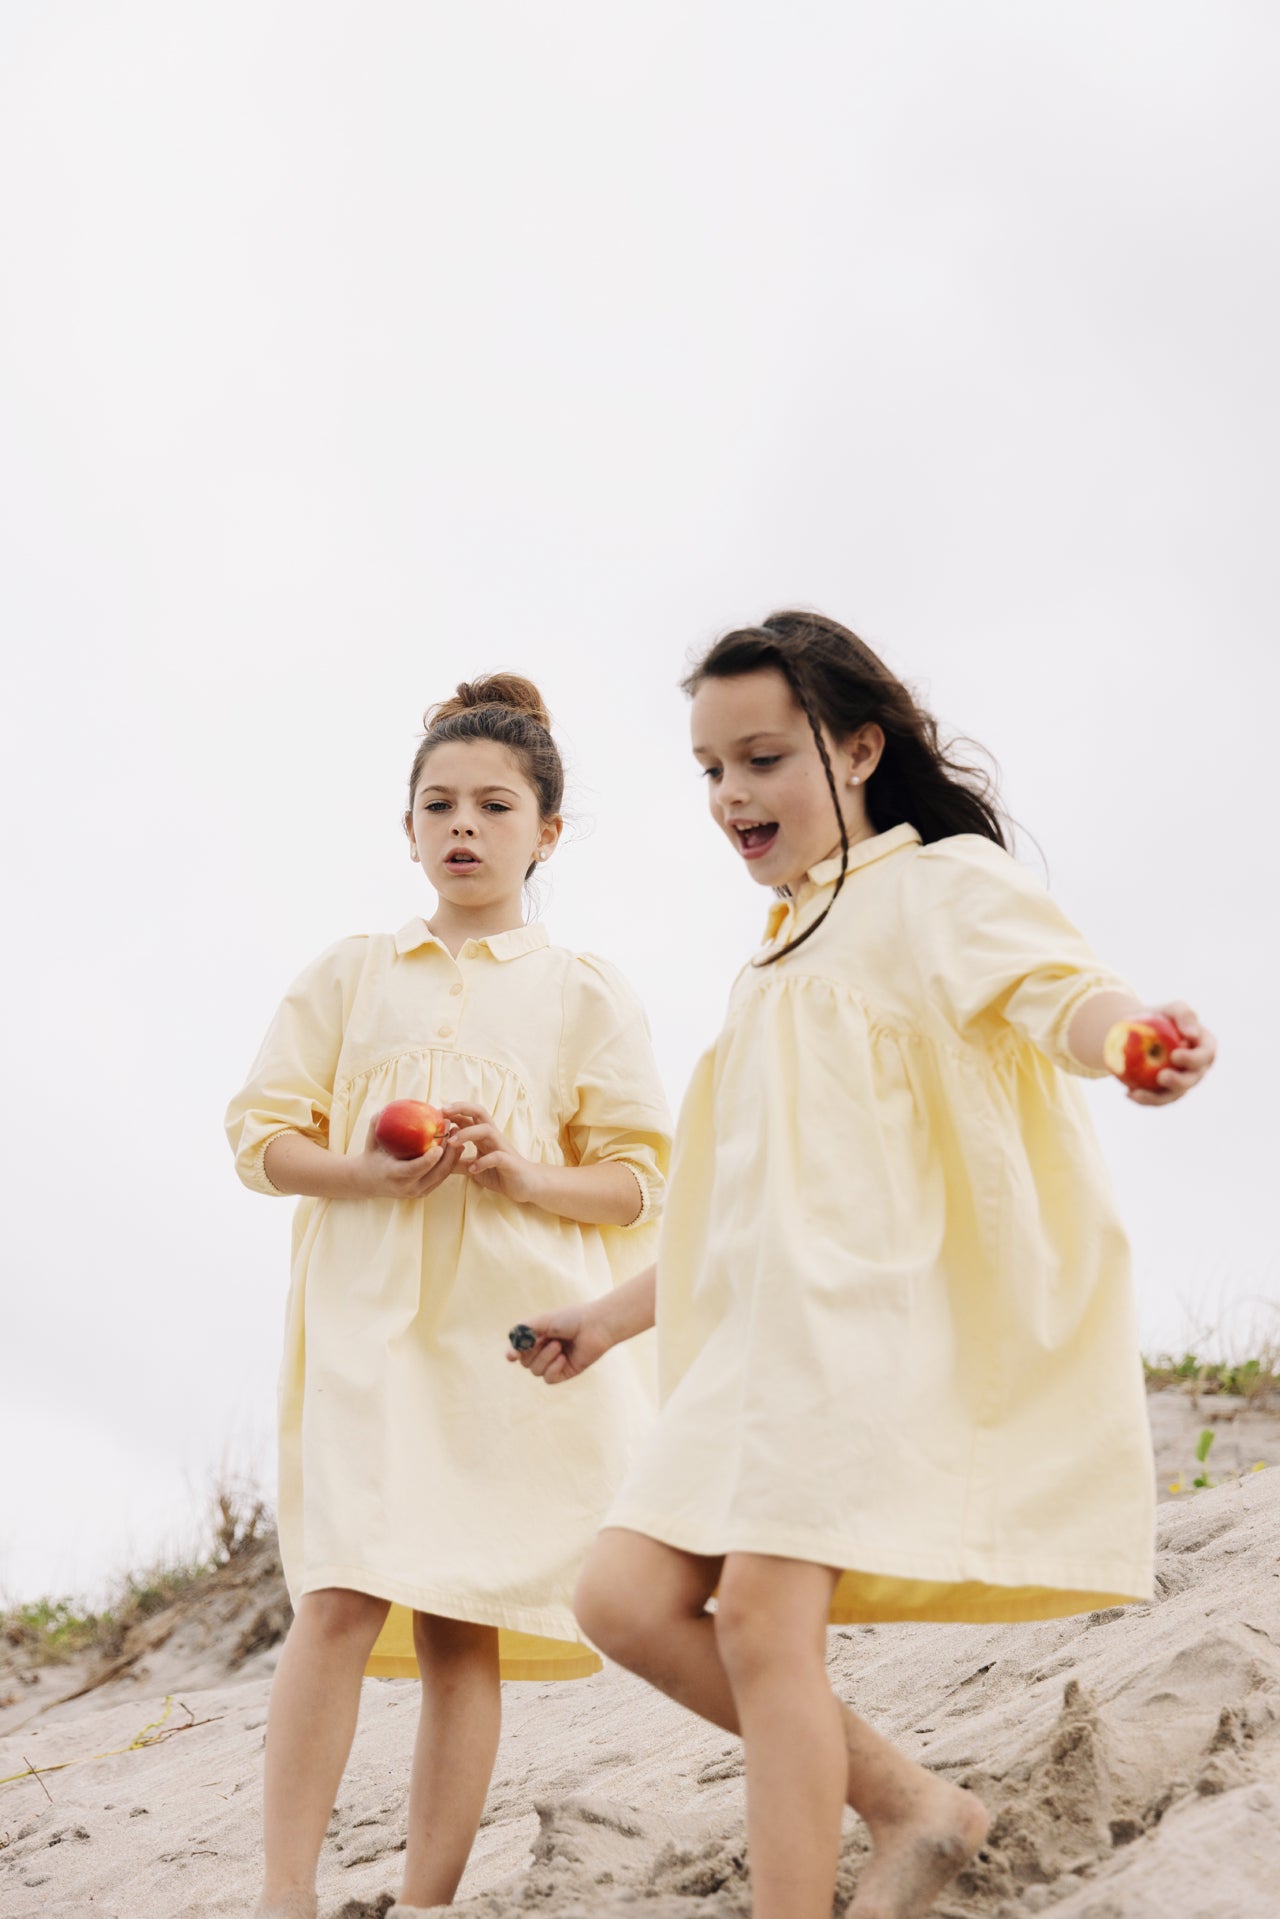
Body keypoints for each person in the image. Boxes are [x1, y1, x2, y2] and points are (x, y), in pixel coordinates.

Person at [510, 613, 1217, 1919]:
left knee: (770, 1622)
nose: (733, 794)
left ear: (858, 749)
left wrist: (1131, 1040)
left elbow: (1062, 990)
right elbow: (738, 1208)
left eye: (765, 756)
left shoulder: (937, 887)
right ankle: (909, 1802)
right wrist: (608, 1317)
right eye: (712, 768)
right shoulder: (769, 963)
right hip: (761, 1341)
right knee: (620, 1592)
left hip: (866, 1323)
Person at [225, 674, 671, 1919]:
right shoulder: (352, 972)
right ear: (407, 827)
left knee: (459, 1619)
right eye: (439, 803)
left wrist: (521, 1168)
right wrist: (363, 1169)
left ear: (548, 831)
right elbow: (259, 1138)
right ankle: (285, 1895)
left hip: (503, 1343)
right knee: (338, 1594)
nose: (463, 824)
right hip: (365, 1325)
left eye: (494, 803)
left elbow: (641, 1183)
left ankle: (425, 1902)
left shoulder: (583, 990)